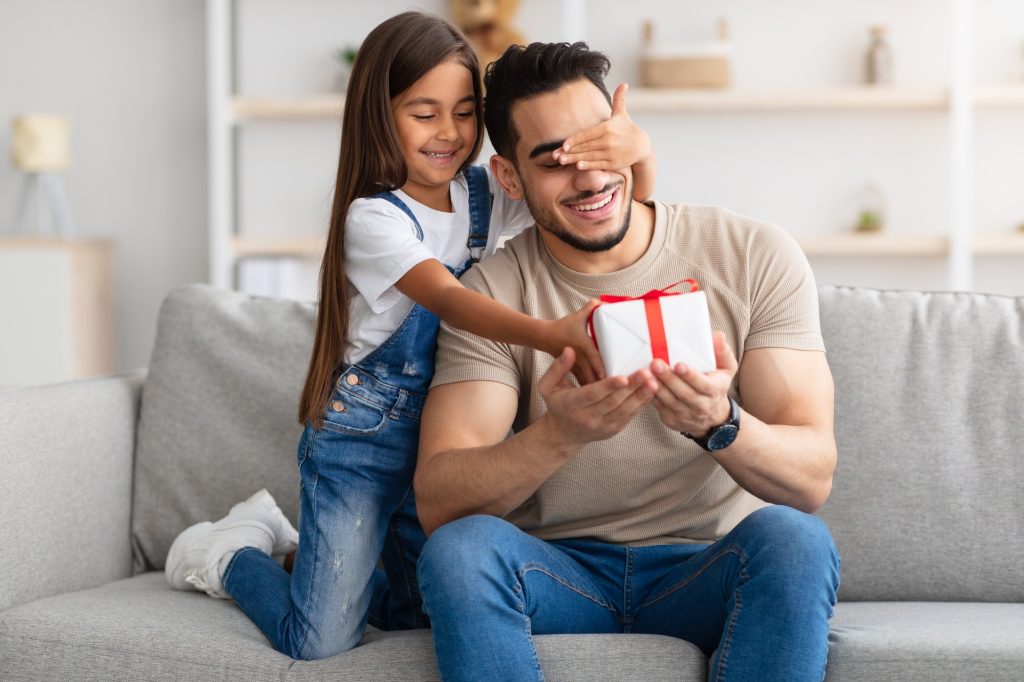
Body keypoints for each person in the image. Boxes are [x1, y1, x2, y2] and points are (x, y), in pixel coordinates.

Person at [162, 12, 655, 661]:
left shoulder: (486, 192)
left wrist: (632, 149)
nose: (449, 133)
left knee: (413, 612)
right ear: (379, 113)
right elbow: (449, 297)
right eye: (424, 113)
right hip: (361, 450)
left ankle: (316, 563)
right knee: (318, 641)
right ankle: (233, 551)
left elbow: (625, 208)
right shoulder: (372, 218)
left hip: (444, 445)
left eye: (463, 112)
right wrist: (547, 333)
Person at [413, 41, 841, 682]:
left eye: (600, 147)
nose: (589, 178)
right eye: (556, 162)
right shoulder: (495, 295)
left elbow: (811, 479)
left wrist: (719, 421)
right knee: (460, 551)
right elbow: (438, 502)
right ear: (509, 178)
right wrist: (561, 435)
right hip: (557, 574)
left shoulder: (752, 254)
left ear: (628, 135)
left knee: (796, 542)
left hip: (707, 569)